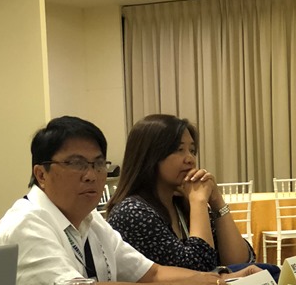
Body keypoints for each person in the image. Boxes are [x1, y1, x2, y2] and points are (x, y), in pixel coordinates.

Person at [0, 115, 258, 285]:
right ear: (41, 174)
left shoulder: (91, 220)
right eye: (76, 164)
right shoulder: (26, 223)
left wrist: (221, 280)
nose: (91, 175)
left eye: (98, 164)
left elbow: (151, 274)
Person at [107, 114, 262, 274]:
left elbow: (240, 262)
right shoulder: (132, 212)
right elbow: (198, 271)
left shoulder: (180, 204)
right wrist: (199, 202)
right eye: (179, 150)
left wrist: (217, 202)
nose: (190, 159)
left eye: (192, 151)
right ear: (150, 155)